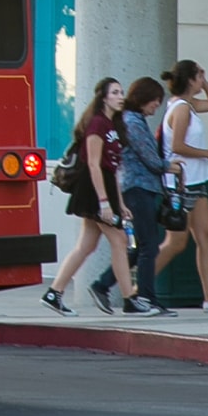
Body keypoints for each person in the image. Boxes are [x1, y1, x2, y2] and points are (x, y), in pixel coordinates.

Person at [44, 77, 162, 316]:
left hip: (106, 189)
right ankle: (130, 299)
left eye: (121, 92)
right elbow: (95, 165)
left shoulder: (113, 125)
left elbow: (114, 168)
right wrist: (105, 204)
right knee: (119, 240)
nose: (121, 96)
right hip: (92, 190)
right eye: (115, 92)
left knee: (86, 245)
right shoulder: (96, 124)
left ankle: (54, 293)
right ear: (104, 97)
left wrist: (119, 203)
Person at [154, 59, 208, 312]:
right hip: (182, 183)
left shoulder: (189, 105)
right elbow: (177, 146)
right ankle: (138, 289)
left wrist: (203, 80)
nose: (203, 78)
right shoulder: (180, 108)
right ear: (190, 79)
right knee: (176, 242)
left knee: (206, 236)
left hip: (197, 180)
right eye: (199, 75)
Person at [88, 77, 175, 315]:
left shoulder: (131, 121)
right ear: (144, 98)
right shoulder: (132, 123)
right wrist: (171, 166)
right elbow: (150, 159)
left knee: (137, 248)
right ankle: (145, 297)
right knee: (148, 246)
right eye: (155, 101)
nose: (156, 106)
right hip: (138, 189)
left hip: (136, 189)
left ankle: (103, 285)